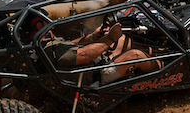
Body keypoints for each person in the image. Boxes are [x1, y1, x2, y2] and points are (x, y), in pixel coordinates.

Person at [31, 17, 159, 84]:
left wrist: (93, 36)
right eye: (41, 24)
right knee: (135, 55)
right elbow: (84, 55)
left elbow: (71, 45)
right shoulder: (46, 48)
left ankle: (155, 55)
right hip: (97, 75)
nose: (49, 28)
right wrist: (110, 38)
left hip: (96, 64)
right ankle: (163, 72)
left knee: (122, 40)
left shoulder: (45, 44)